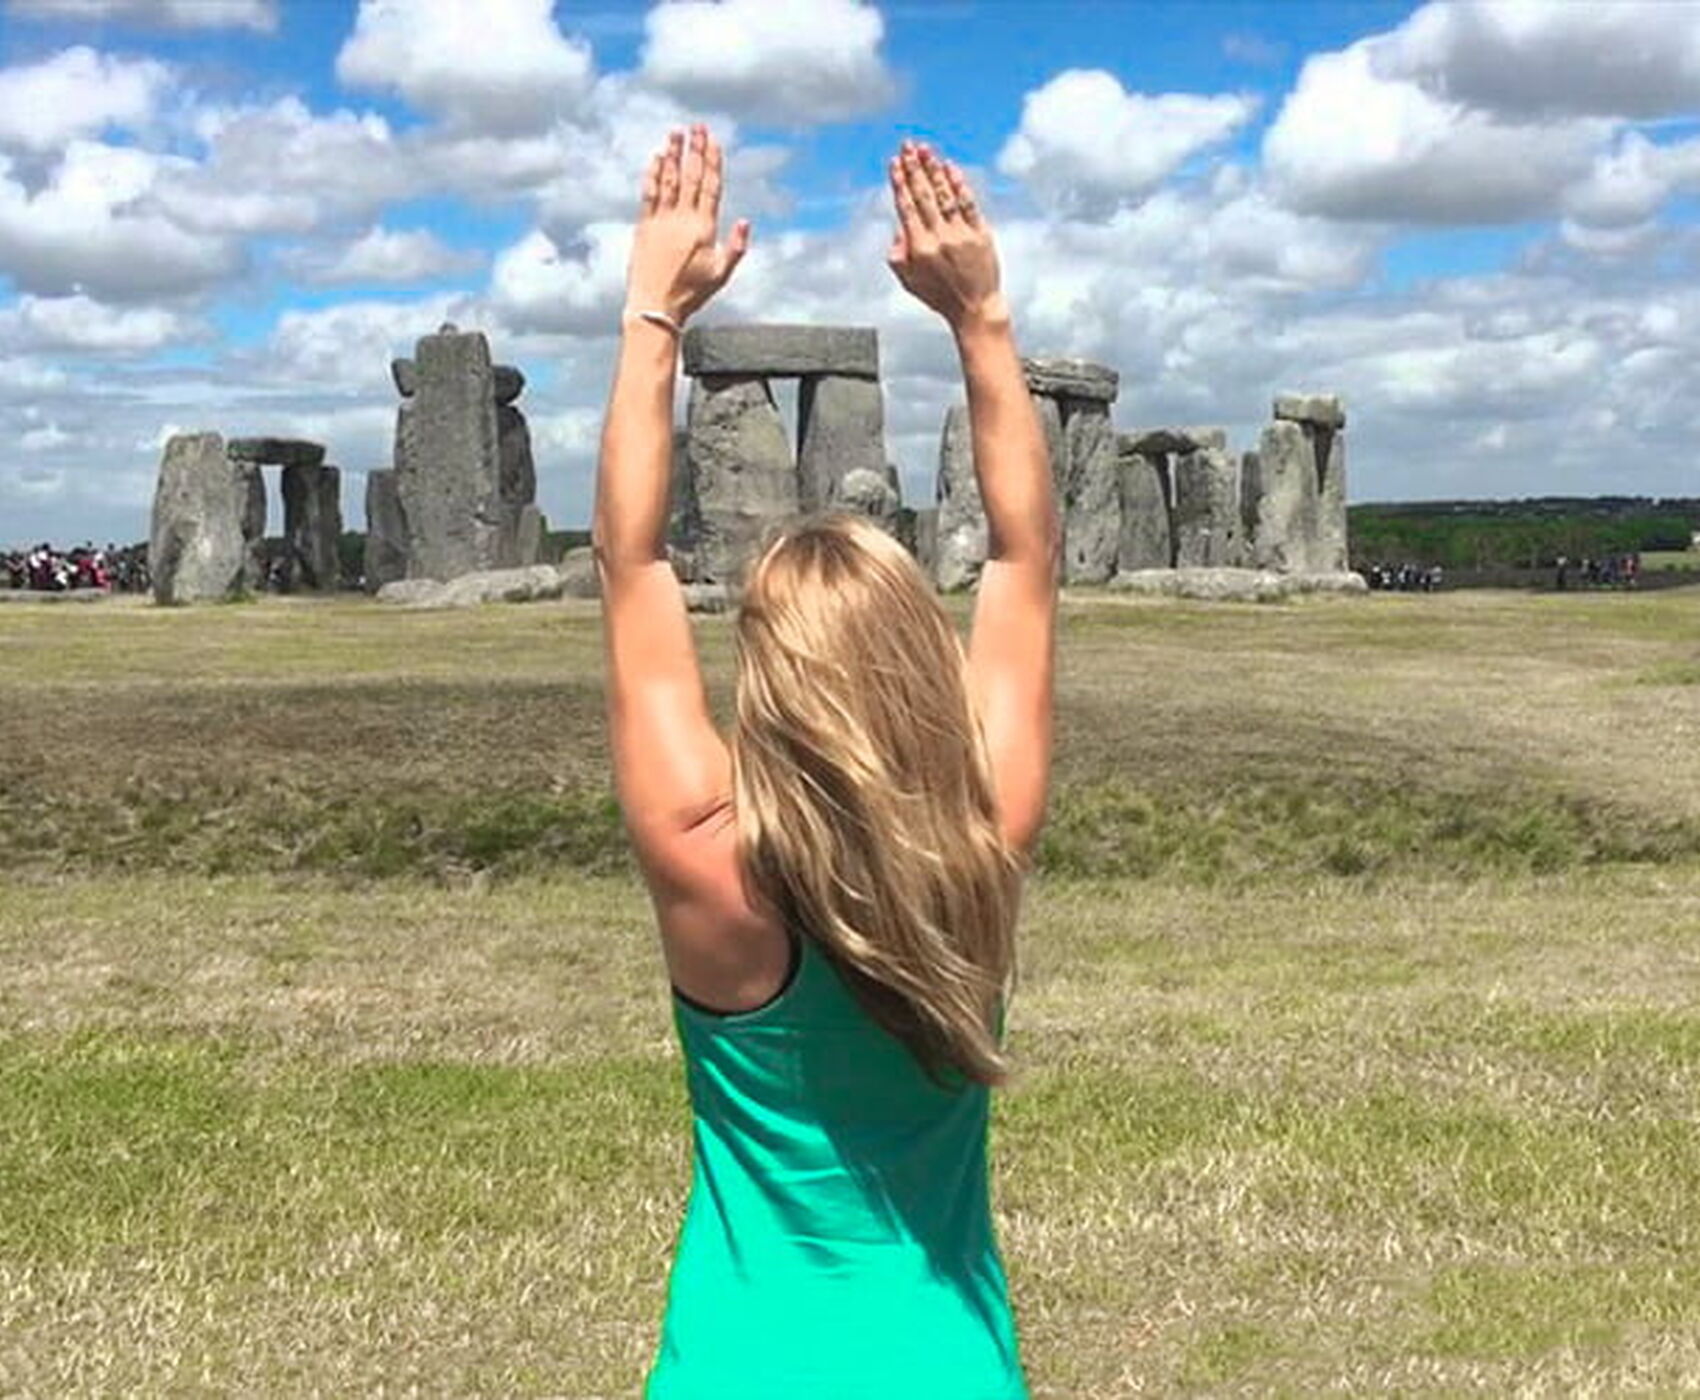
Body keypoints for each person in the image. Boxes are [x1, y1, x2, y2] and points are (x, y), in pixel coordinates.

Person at [592, 124, 1054, 1399]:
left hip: (733, 1366)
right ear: (921, 659)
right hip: (948, 1367)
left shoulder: (704, 859)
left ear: (770, 675)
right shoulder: (983, 838)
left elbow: (629, 562)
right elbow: (1023, 559)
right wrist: (981, 318)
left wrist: (653, 310)